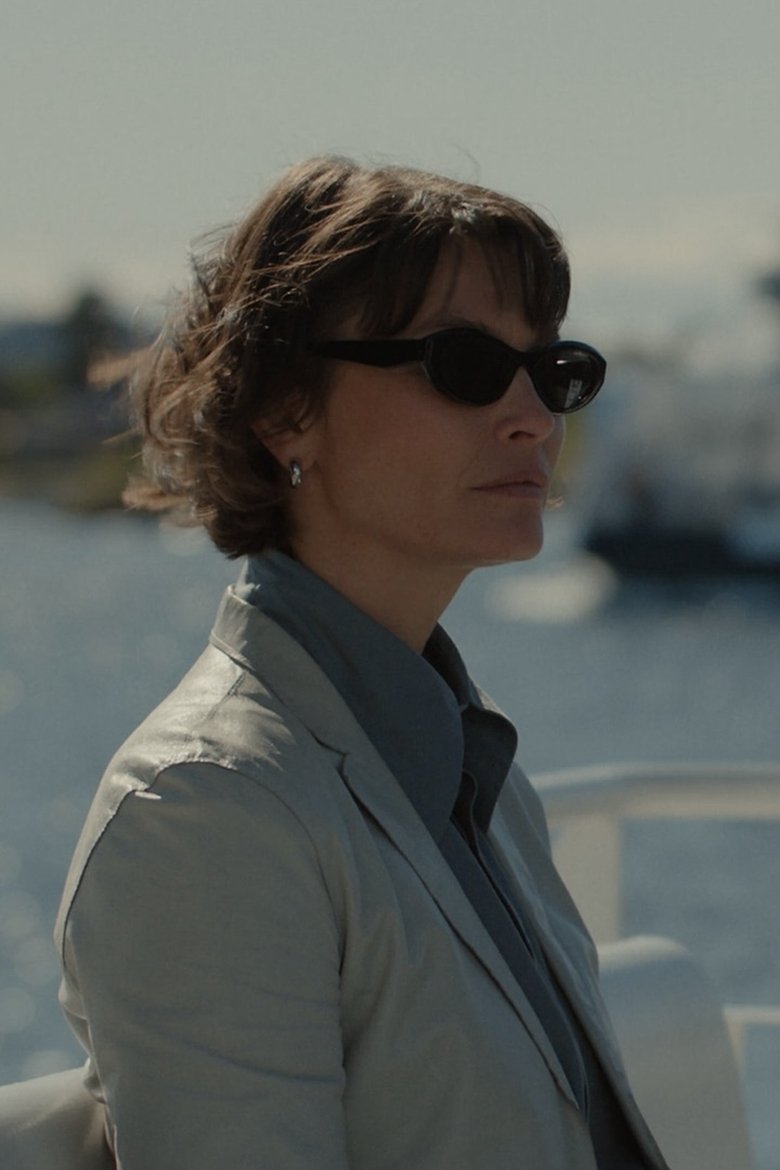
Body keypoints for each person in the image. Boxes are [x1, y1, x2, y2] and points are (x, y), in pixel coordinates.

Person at [53, 157, 668, 1169]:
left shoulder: (468, 762)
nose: (534, 416)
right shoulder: (207, 811)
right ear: (285, 408)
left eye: (554, 371)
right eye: (465, 365)